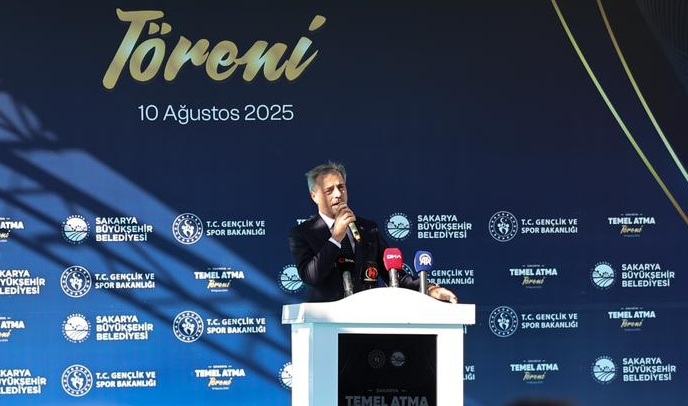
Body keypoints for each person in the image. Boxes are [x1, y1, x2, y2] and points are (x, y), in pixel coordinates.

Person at [288, 161, 459, 303]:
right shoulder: (302, 233)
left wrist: (430, 289)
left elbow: (395, 275)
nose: (338, 194)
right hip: (326, 322)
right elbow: (311, 277)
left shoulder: (368, 229)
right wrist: (336, 238)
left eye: (341, 187)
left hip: (367, 318)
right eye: (329, 190)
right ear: (314, 196)